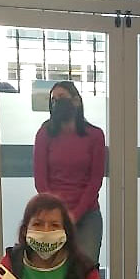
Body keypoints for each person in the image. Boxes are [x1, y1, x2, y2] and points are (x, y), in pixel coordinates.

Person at [33, 81, 106, 265]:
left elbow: (95, 181)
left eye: (62, 97)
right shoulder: (44, 134)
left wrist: (75, 214)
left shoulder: (95, 135)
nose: (57, 102)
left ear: (76, 101)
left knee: (86, 270)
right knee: (55, 268)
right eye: (53, 100)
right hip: (52, 215)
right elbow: (41, 181)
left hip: (87, 214)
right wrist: (59, 214)